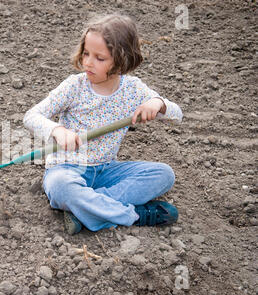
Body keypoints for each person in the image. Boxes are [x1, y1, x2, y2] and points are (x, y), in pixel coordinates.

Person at [23, 13, 183, 235]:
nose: (88, 62)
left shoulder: (133, 90)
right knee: (61, 187)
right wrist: (57, 130)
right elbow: (31, 116)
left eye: (100, 58)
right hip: (68, 168)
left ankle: (84, 208)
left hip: (106, 170)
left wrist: (158, 103)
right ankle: (133, 215)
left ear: (121, 61)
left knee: (164, 175)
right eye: (86, 53)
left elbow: (177, 114)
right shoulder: (74, 87)